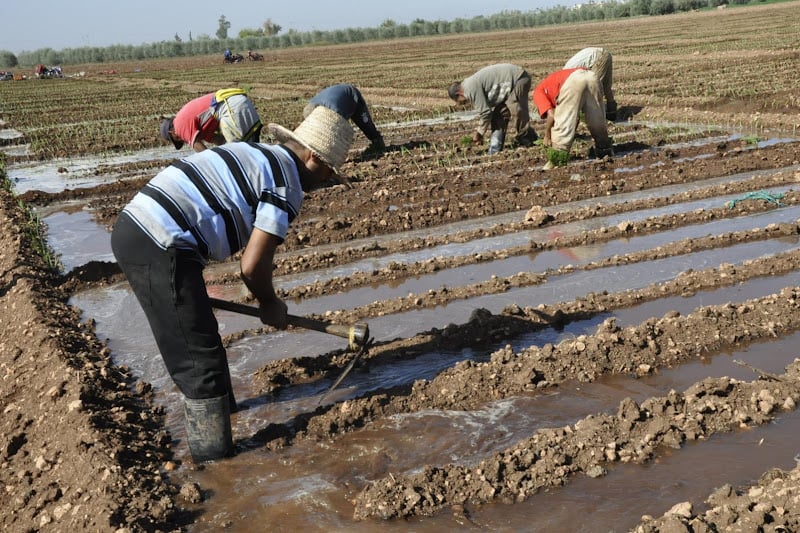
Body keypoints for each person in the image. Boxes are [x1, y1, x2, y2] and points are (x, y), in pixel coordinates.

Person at [112, 106, 355, 462]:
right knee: (198, 361)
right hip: (160, 241)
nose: (328, 180)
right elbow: (253, 266)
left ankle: (227, 420)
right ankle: (216, 466)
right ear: (314, 158)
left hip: (146, 230)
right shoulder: (286, 183)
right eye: (330, 172)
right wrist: (270, 303)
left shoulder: (258, 152)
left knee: (202, 338)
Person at [532, 67, 613, 170]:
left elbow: (552, 115)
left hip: (573, 82)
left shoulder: (538, 92)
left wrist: (547, 135)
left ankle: (557, 161)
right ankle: (605, 152)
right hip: (592, 76)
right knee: (596, 119)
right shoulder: (553, 82)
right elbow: (575, 118)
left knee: (562, 127)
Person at [448, 63, 537, 154]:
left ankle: (526, 139)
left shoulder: (469, 89)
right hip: (510, 85)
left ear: (458, 94)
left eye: (460, 101)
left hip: (519, 78)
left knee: (515, 108)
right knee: (498, 115)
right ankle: (495, 149)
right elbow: (487, 111)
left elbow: (486, 112)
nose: (465, 102)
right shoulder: (468, 85)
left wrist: (479, 133)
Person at [160, 88, 262, 152]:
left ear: (172, 132)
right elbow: (220, 140)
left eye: (176, 139)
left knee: (236, 152)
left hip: (229, 107)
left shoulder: (179, 125)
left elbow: (204, 153)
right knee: (252, 149)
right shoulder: (202, 128)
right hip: (239, 101)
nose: (183, 140)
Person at [303, 84, 385, 152]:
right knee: (327, 134)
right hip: (332, 104)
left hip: (312, 107)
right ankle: (377, 141)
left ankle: (377, 142)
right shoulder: (352, 98)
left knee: (318, 134)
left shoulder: (340, 103)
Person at [564, 47, 617, 120]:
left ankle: (598, 118)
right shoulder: (567, 70)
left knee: (594, 88)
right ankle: (612, 111)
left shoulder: (566, 75)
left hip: (598, 57)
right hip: (605, 54)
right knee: (606, 86)